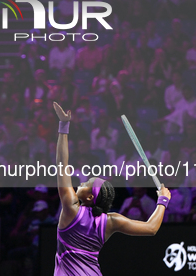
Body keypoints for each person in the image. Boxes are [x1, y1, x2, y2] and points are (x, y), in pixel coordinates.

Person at [52, 101, 171, 276]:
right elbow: (151, 228)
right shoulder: (111, 220)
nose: (82, 184)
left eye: (86, 184)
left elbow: (62, 164)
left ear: (91, 197)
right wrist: (163, 200)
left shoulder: (71, 208)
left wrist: (64, 125)